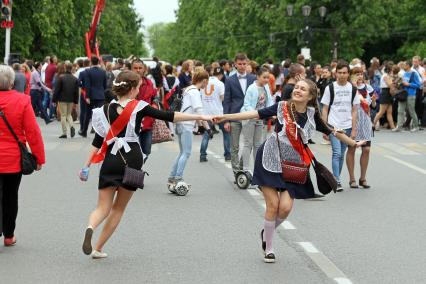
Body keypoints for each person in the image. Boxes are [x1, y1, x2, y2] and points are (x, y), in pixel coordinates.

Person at [214, 79, 363, 263]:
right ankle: (269, 247)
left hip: (293, 165)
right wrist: (227, 117)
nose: (298, 90)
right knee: (273, 205)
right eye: (297, 87)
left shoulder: (311, 114)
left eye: (303, 89)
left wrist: (353, 143)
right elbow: (255, 113)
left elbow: (332, 131)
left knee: (284, 209)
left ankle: (266, 232)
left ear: (310, 97)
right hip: (269, 159)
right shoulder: (281, 107)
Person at [80, 70, 211, 259]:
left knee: (102, 207)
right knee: (118, 209)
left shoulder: (104, 110)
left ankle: (90, 226)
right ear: (132, 89)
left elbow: (97, 141)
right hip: (132, 159)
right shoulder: (140, 107)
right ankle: (98, 248)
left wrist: (86, 166)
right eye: (139, 87)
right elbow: (169, 116)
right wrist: (201, 117)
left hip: (110, 160)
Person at [0, 65, 45, 247]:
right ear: (12, 82)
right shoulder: (22, 101)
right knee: (11, 197)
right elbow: (32, 131)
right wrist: (39, 157)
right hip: (13, 159)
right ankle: (9, 235)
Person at [321, 61, 360, 192]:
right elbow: (325, 109)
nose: (342, 75)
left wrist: (354, 129)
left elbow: (355, 110)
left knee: (342, 154)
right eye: (340, 72)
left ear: (348, 74)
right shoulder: (330, 88)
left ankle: (336, 178)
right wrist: (324, 127)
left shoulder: (353, 89)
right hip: (333, 126)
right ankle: (336, 180)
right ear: (335, 73)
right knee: (336, 153)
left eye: (344, 73)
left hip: (347, 126)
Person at [168, 69, 213, 184]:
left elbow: (194, 111)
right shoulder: (195, 92)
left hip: (179, 122)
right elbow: (199, 111)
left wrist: (201, 125)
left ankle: (172, 176)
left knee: (182, 152)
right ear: (204, 80)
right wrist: (208, 127)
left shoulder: (187, 89)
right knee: (186, 153)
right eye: (207, 82)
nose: (206, 85)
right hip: (186, 125)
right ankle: (178, 178)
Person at [223, 53, 256, 177]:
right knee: (235, 147)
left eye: (244, 64)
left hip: (249, 115)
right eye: (239, 64)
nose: (242, 66)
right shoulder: (229, 80)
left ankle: (242, 168)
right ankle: (237, 173)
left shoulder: (253, 78)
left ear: (247, 64)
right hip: (235, 115)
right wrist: (225, 120)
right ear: (235, 64)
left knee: (249, 144)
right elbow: (226, 100)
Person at [347, 67, 376, 188]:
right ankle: (352, 178)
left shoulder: (368, 88)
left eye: (361, 74)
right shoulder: (349, 88)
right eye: (356, 74)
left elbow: (373, 105)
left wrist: (374, 101)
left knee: (366, 150)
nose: (359, 76)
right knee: (352, 149)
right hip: (353, 121)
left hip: (365, 122)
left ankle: (363, 178)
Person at [240, 67, 273, 172]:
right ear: (258, 77)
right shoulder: (251, 88)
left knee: (258, 145)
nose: (266, 80)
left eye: (268, 77)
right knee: (248, 143)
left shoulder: (266, 87)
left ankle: (257, 169)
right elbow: (246, 104)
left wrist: (271, 112)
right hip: (249, 118)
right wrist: (255, 114)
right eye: (264, 77)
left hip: (260, 118)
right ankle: (245, 169)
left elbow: (269, 101)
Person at [200, 67, 230, 162]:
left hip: (206, 113)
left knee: (206, 134)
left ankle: (203, 155)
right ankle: (227, 154)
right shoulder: (220, 84)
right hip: (218, 112)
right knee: (226, 133)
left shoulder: (204, 82)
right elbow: (222, 98)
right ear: (221, 75)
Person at [131, 59, 157, 162]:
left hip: (147, 123)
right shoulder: (126, 83)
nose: (138, 70)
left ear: (144, 69)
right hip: (131, 124)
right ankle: (133, 172)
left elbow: (155, 97)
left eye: (140, 68)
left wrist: (155, 104)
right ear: (131, 69)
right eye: (135, 68)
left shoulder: (149, 82)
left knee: (146, 151)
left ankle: (137, 170)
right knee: (133, 153)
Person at [79, 55, 107, 137]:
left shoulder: (87, 71)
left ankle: (84, 131)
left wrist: (87, 96)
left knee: (87, 114)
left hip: (91, 95)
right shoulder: (103, 71)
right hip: (100, 95)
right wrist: (102, 92)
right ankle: (100, 132)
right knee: (100, 115)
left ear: (91, 62)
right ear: (98, 62)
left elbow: (87, 84)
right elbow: (104, 85)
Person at [394, 60, 422, 132]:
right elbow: (402, 83)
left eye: (404, 65)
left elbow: (418, 85)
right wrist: (398, 82)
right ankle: (399, 127)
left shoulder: (414, 73)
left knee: (411, 110)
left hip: (411, 94)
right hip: (403, 94)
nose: (403, 66)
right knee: (400, 110)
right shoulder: (404, 74)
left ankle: (416, 126)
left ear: (408, 66)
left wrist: (409, 84)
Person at [53, 62, 79, 138]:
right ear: (71, 69)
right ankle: (72, 126)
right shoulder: (75, 79)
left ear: (65, 68)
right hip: (71, 99)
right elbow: (76, 91)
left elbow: (57, 90)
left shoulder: (61, 78)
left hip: (62, 99)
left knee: (63, 115)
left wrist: (54, 100)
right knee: (69, 114)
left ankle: (64, 132)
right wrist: (76, 101)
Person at [373, 62, 396, 130]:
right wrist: (393, 82)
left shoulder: (388, 76)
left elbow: (391, 85)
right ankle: (372, 124)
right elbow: (390, 84)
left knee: (389, 112)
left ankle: (393, 127)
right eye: (392, 69)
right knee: (381, 112)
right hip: (385, 93)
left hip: (388, 93)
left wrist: (393, 82)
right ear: (389, 70)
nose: (393, 71)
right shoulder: (385, 76)